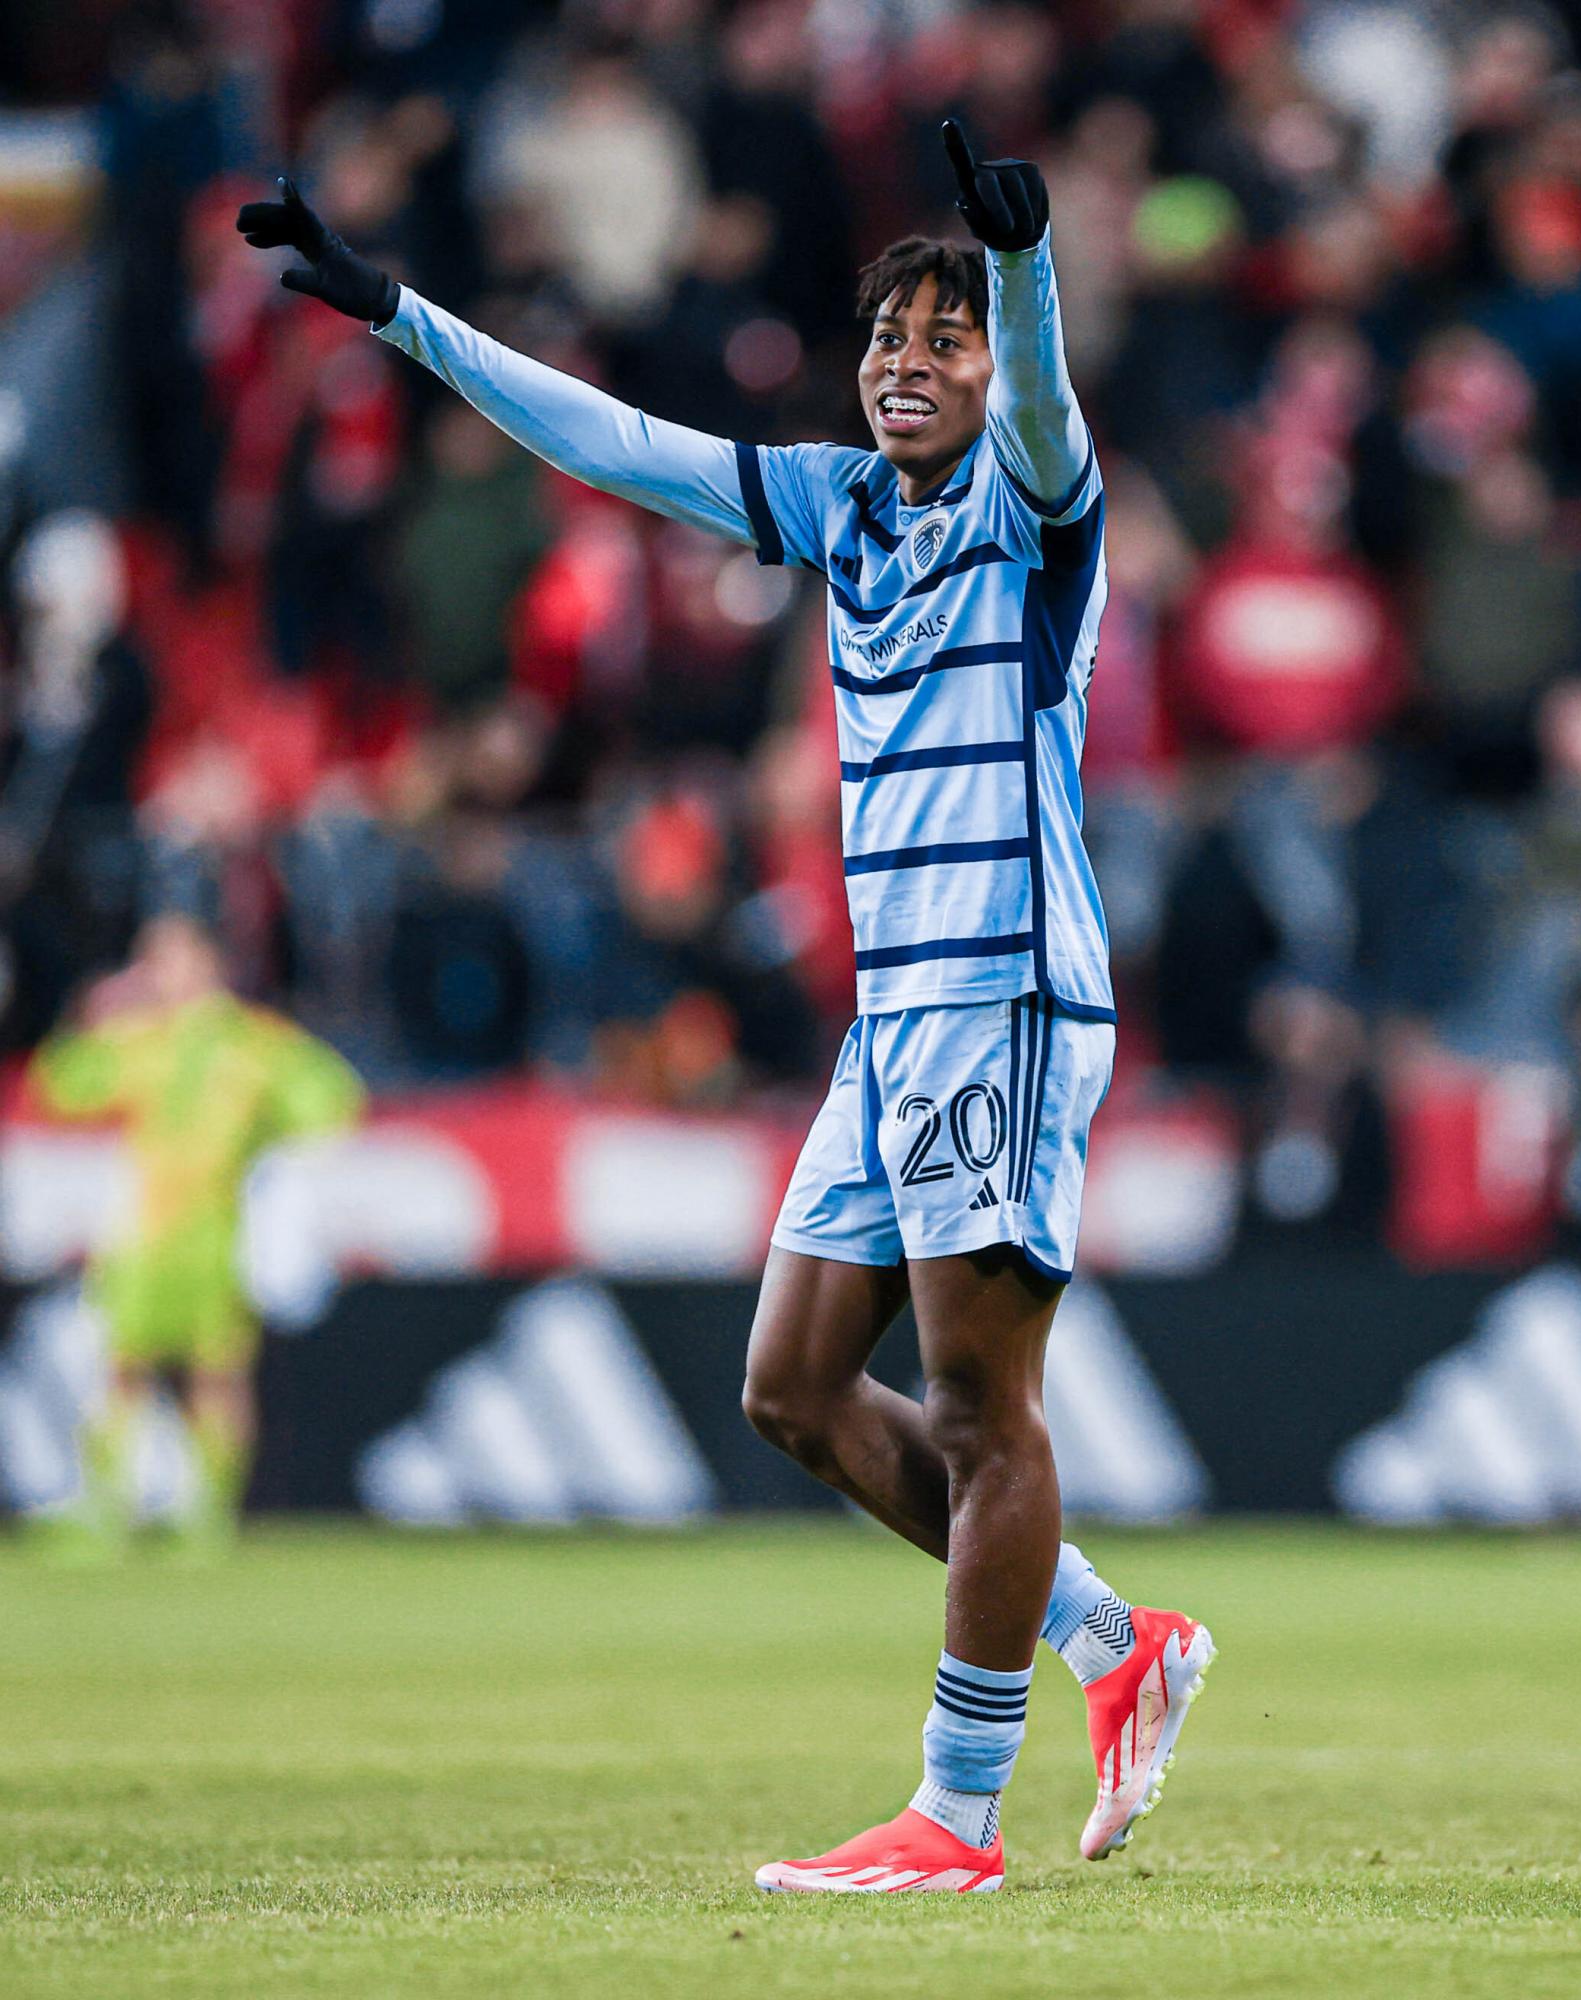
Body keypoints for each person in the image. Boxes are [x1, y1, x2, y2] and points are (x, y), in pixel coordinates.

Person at [237, 121, 1214, 1891]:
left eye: (945, 343)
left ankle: (957, 1819)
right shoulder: (838, 505)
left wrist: (1022, 269)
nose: (906, 364)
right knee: (793, 1387)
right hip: (893, 1017)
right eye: (888, 339)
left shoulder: (1034, 504)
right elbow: (611, 442)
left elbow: (1052, 407)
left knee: (981, 1406)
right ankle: (1113, 1642)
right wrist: (397, 315)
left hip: (1002, 989)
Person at [29, 915, 365, 1554]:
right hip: (144, 1235)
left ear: (210, 965)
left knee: (216, 1373)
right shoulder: (138, 1039)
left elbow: (330, 1099)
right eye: (152, 961)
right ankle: (108, 1508)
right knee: (123, 1370)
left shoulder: (253, 1042)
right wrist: (89, 1018)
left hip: (214, 1233)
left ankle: (208, 1512)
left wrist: (264, 1142)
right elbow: (59, 1088)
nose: (160, 974)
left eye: (172, 959)